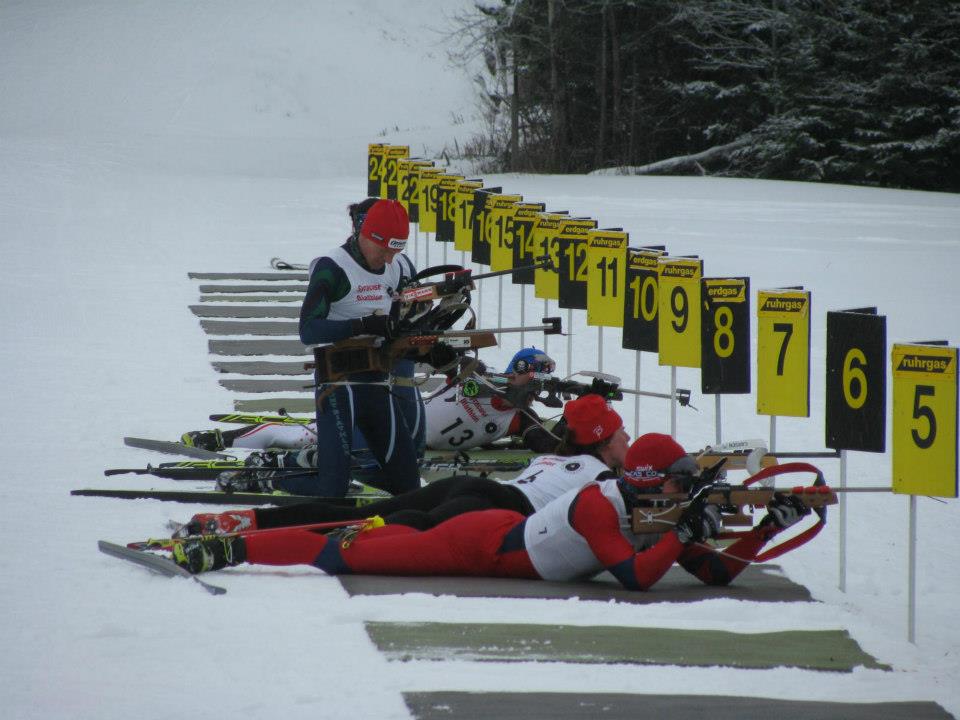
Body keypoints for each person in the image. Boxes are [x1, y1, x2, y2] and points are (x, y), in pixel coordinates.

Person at [169, 432, 814, 587]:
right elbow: (636, 579)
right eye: (678, 485)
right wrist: (691, 530)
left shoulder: (655, 515)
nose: (682, 493)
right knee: (348, 547)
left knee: (367, 524)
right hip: (473, 541)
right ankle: (232, 544)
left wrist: (761, 529)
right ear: (651, 481)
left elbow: (717, 572)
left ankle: (237, 530)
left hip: (494, 526)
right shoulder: (598, 503)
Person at [173, 393, 627, 536]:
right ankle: (245, 533)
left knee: (360, 518)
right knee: (376, 530)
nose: (629, 439)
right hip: (489, 508)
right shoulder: (604, 476)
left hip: (474, 492)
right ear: (604, 442)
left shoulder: (556, 455)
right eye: (622, 433)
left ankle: (244, 521)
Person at [277, 198, 424, 498]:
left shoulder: (394, 268)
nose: (386, 260)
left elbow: (396, 325)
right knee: (333, 490)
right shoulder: (333, 267)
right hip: (338, 384)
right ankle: (273, 479)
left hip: (377, 383)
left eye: (395, 253)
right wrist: (362, 326)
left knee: (410, 486)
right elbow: (308, 330)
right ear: (365, 235)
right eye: (382, 251)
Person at [179, 347, 562, 456]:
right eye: (534, 376)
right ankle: (219, 442)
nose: (536, 387)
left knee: (322, 449)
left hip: (409, 448)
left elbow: (546, 443)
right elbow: (455, 361)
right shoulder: (478, 376)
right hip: (394, 420)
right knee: (308, 439)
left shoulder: (519, 417)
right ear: (519, 370)